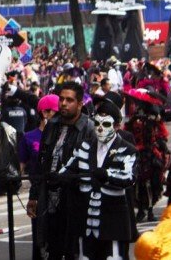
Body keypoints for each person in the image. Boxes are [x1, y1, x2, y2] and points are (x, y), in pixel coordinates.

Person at [58, 100, 137, 260]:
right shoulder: (84, 146)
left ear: (116, 126)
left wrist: (108, 175)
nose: (100, 128)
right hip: (85, 221)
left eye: (106, 124)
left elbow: (130, 177)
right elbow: (68, 169)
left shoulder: (127, 149)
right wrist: (57, 178)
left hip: (113, 221)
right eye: (97, 123)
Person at [27, 82, 95, 259]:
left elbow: (92, 168)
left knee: (74, 250)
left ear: (80, 104)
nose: (63, 103)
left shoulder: (89, 128)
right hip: (49, 197)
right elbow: (41, 163)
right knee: (52, 249)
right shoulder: (52, 125)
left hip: (75, 198)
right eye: (62, 99)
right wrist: (34, 195)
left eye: (70, 100)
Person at [20, 94, 58, 260]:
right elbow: (20, 167)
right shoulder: (28, 137)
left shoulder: (63, 135)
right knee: (39, 238)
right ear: (45, 113)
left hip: (59, 191)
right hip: (38, 192)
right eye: (57, 111)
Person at [124, 88, 169, 222]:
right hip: (138, 153)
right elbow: (128, 134)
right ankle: (142, 209)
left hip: (151, 154)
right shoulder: (134, 119)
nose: (136, 105)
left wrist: (164, 149)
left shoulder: (154, 119)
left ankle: (149, 210)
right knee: (139, 183)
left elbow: (161, 136)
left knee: (153, 182)